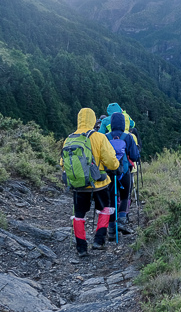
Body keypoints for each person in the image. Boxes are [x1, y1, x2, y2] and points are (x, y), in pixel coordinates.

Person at [62, 108, 121, 257]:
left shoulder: (69, 138)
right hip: (99, 184)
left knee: (79, 214)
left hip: (78, 185)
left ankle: (81, 248)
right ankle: (98, 241)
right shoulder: (99, 137)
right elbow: (111, 163)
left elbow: (63, 163)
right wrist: (115, 166)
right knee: (105, 209)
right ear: (93, 120)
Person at [105, 112, 140, 228]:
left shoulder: (106, 137)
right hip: (124, 172)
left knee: (110, 199)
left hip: (109, 172)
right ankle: (122, 221)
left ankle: (110, 228)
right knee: (125, 196)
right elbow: (134, 156)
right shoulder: (128, 137)